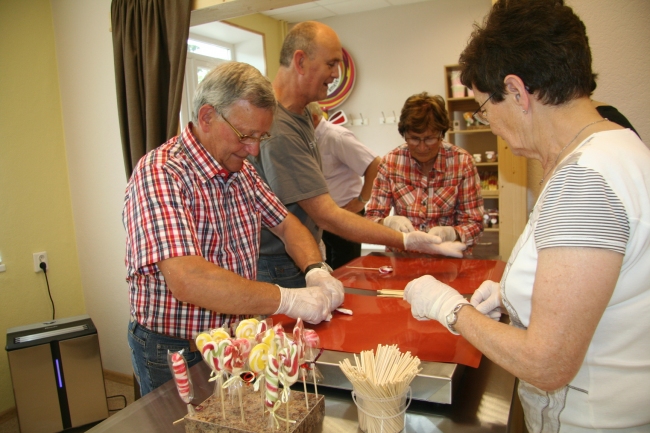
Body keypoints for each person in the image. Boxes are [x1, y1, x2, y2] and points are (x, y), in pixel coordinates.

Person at [403, 1, 650, 431]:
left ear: (517, 92)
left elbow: (547, 364)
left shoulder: (584, 181)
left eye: (485, 108)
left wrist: (450, 308)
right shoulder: (619, 147)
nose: (491, 124)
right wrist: (511, 295)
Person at [123, 62, 344, 395]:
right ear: (207, 117)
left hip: (237, 338)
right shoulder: (161, 173)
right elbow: (188, 279)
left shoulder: (243, 171)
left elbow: (287, 226)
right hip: (177, 348)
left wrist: (316, 271)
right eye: (245, 135)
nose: (254, 149)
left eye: (261, 137)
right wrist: (285, 299)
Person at [248, 21, 465, 288]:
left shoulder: (300, 113)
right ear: (301, 61)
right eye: (331, 64)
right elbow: (326, 214)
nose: (336, 74)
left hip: (300, 253)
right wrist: (404, 240)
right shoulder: (280, 129)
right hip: (280, 263)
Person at [365, 92, 484, 249]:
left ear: (441, 134)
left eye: (429, 139)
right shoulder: (391, 163)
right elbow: (371, 218)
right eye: (414, 139)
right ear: (404, 134)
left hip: (447, 254)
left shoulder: (462, 162)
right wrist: (387, 222)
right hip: (402, 255)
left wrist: (453, 233)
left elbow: (475, 224)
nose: (422, 147)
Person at [306, 102, 381, 269]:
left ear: (314, 118)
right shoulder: (309, 139)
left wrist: (362, 200)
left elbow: (375, 164)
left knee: (347, 270)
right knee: (327, 269)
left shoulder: (336, 136)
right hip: (323, 216)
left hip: (345, 213)